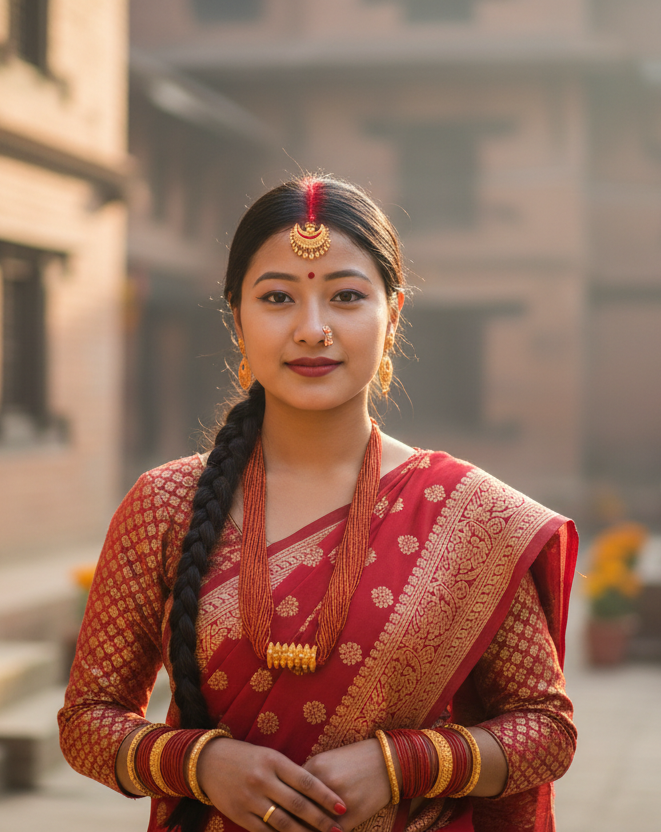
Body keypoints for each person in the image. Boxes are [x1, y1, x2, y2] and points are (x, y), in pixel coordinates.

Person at [58, 176, 578, 832]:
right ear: (237, 318)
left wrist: (406, 765)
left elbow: (547, 730)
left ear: (392, 318)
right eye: (277, 297)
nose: (311, 329)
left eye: (346, 296)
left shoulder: (473, 516)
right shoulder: (165, 504)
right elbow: (86, 721)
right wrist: (200, 765)